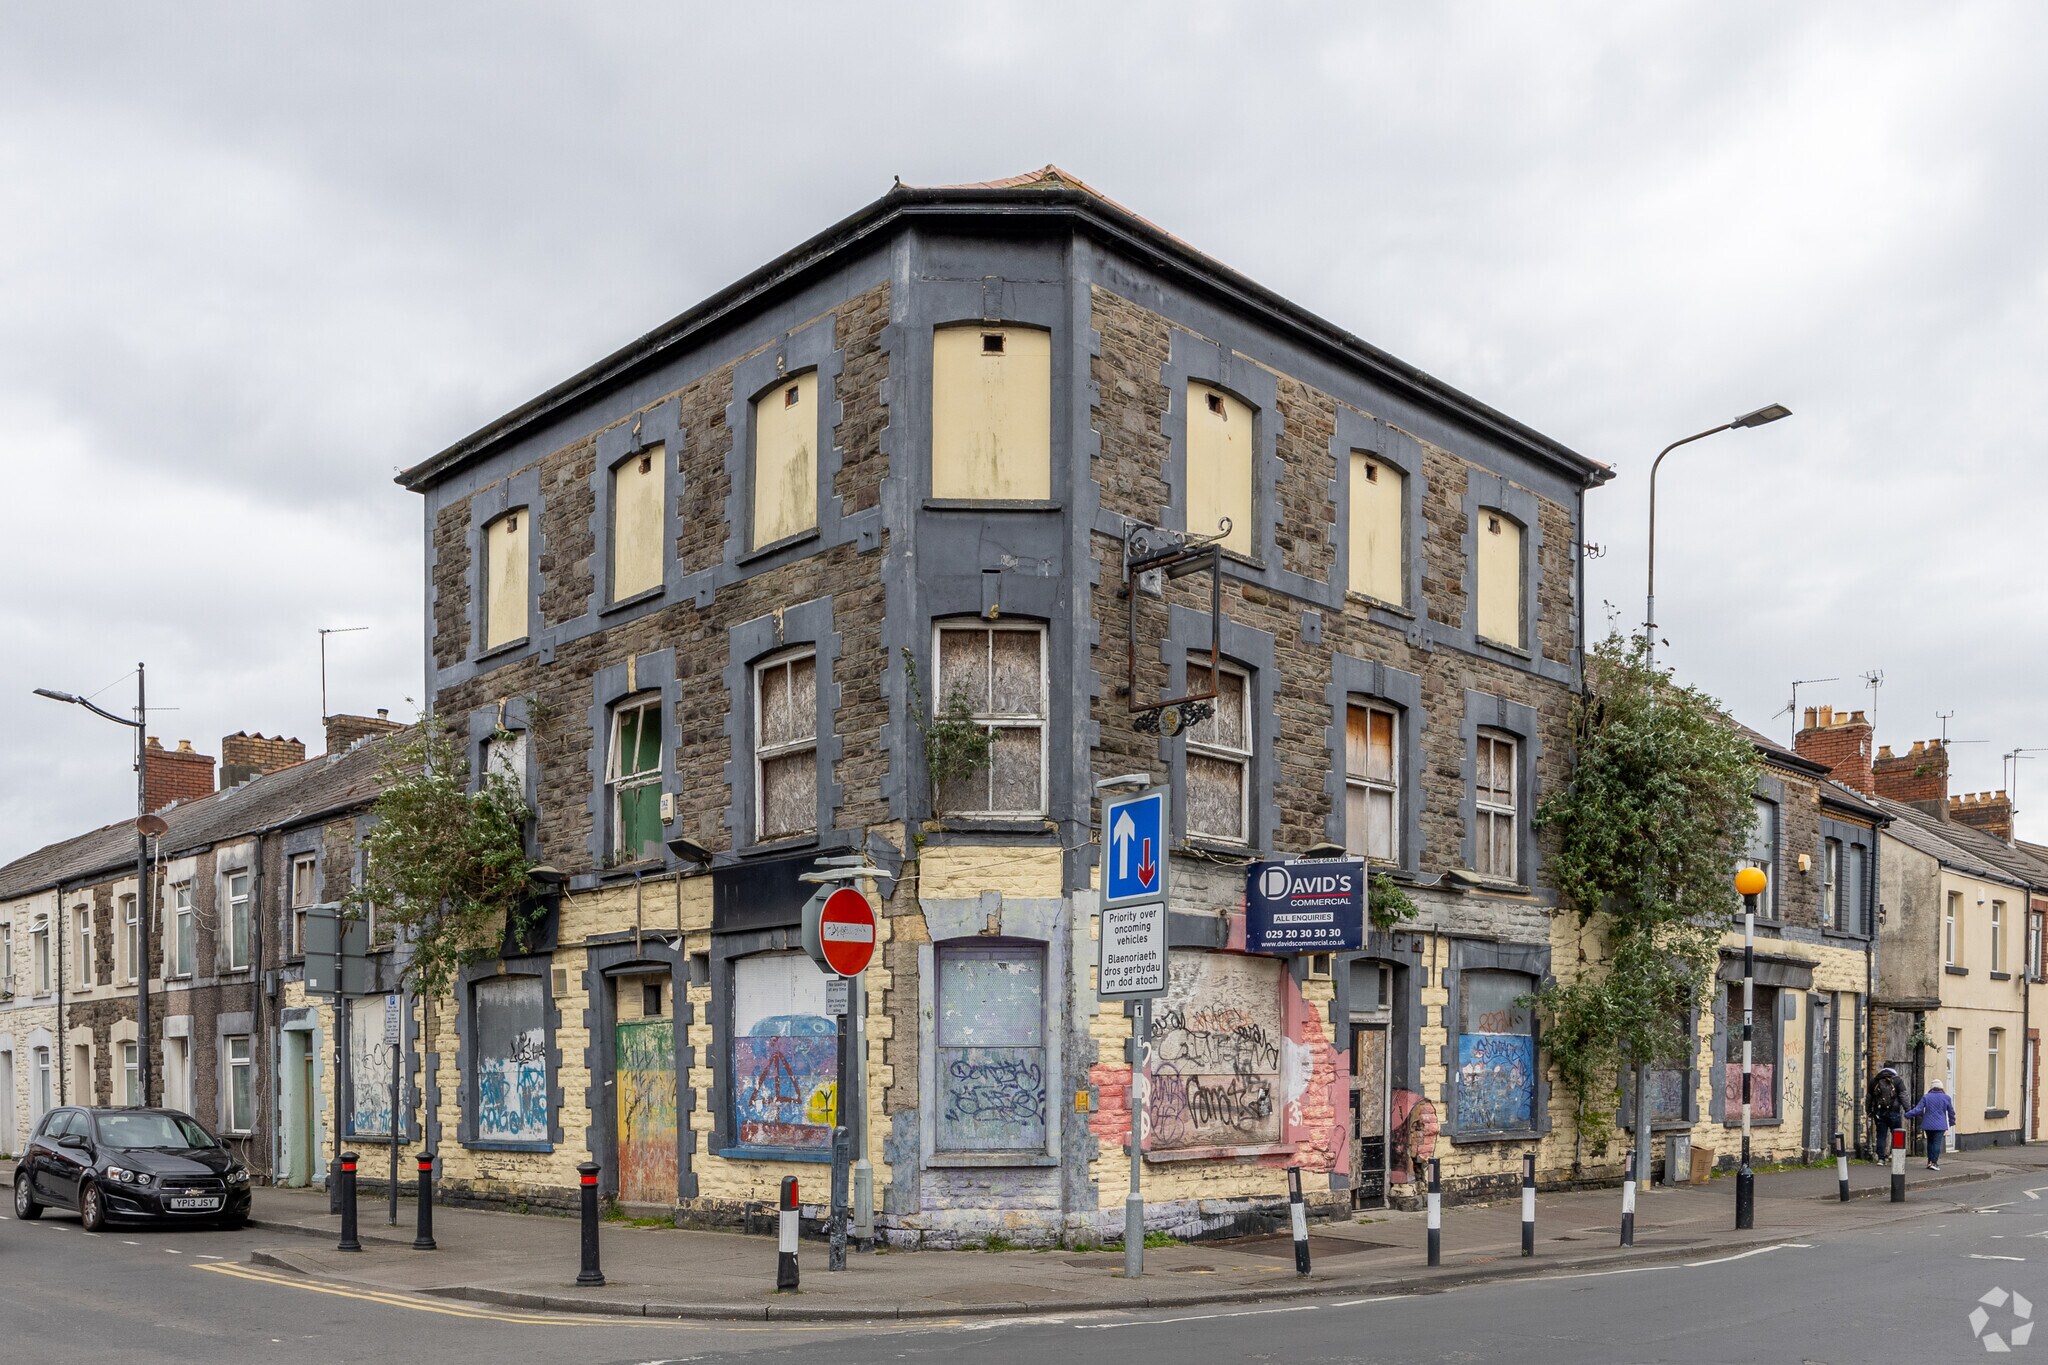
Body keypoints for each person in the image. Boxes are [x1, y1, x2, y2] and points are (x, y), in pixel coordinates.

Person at [1904, 1078, 1957, 1170]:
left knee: (1930, 1142)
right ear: (1941, 1088)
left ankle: (1929, 1162)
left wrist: (1908, 1115)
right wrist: (1952, 1121)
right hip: (1940, 1125)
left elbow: (1918, 1109)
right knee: (1936, 1143)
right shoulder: (1946, 1098)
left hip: (1928, 1124)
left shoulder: (1926, 1097)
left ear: (1932, 1087)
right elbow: (1951, 1111)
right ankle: (1934, 1162)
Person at [1868, 1063, 1905, 1157]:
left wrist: (1868, 1110)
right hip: (1894, 1111)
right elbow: (1903, 1096)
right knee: (1898, 1134)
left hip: (1879, 1112)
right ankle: (1896, 1155)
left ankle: (1881, 1158)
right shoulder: (1897, 1080)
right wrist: (1908, 1110)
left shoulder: (1875, 1081)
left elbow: (1869, 1097)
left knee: (1881, 1135)